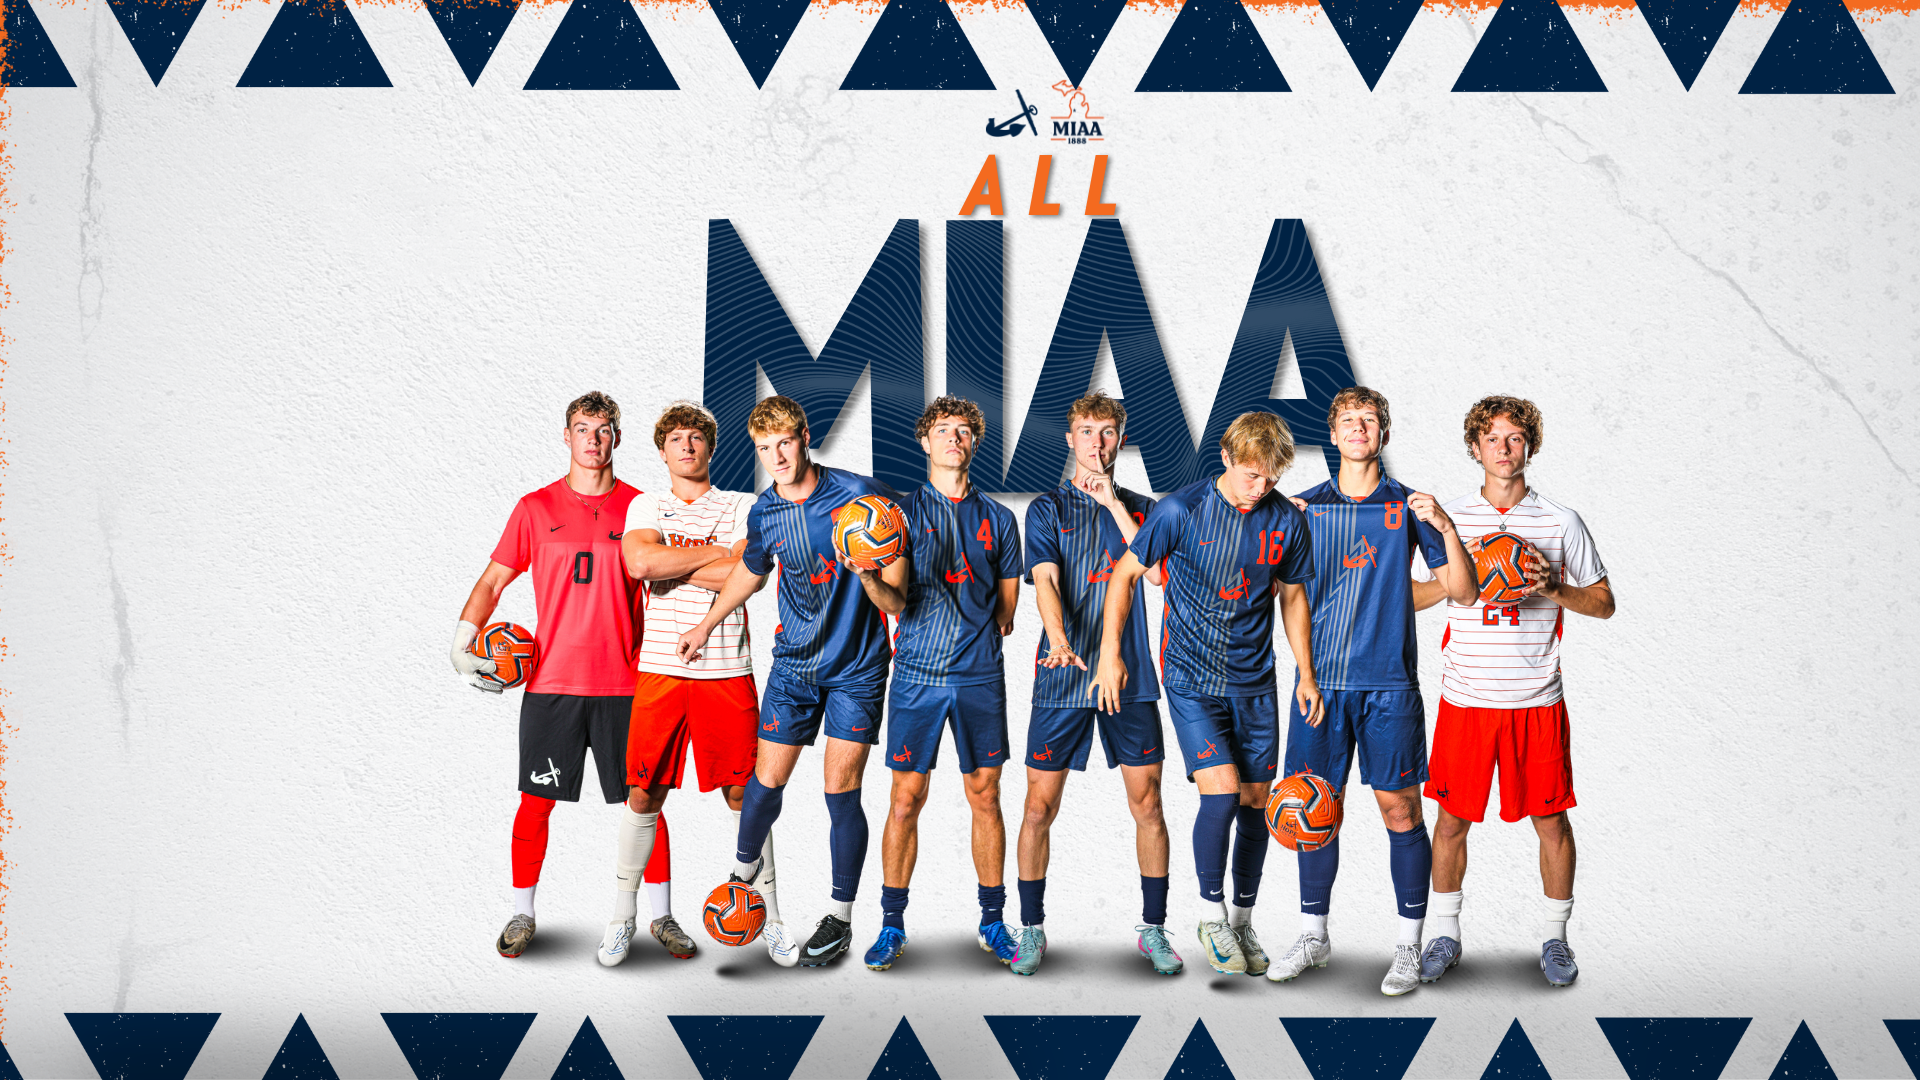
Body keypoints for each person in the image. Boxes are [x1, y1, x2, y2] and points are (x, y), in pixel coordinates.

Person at [676, 394, 906, 966]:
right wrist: (707, 625)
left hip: (857, 668)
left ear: (804, 437)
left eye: (784, 443)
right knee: (766, 782)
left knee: (839, 791)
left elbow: (899, 598)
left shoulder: (861, 496)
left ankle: (840, 915)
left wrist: (870, 577)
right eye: (764, 449)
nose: (776, 456)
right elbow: (750, 576)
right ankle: (741, 876)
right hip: (794, 668)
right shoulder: (765, 513)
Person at [1092, 411, 1319, 975]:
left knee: (1256, 806)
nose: (1259, 487)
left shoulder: (1288, 521)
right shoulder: (1179, 510)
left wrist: (1306, 672)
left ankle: (1242, 921)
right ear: (1226, 458)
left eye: (1270, 478)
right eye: (1250, 474)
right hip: (1192, 677)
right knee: (1219, 794)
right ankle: (1211, 914)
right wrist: (1110, 654)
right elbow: (1123, 576)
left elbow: (1292, 599)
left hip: (1255, 683)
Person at [1267, 387, 1477, 995]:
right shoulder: (1303, 508)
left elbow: (1461, 591)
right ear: (1331, 436)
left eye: (1369, 421)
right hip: (1321, 687)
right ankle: (1313, 934)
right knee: (1312, 812)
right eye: (1347, 422)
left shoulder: (1411, 507)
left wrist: (1443, 523)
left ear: (1382, 433)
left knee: (1401, 811)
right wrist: (1304, 672)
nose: (1359, 429)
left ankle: (1408, 948)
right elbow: (1291, 599)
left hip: (1388, 685)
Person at [449, 391, 669, 959]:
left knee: (645, 803)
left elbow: (670, 586)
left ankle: (663, 916)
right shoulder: (534, 509)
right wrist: (462, 640)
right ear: (565, 437)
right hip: (551, 685)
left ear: (616, 437)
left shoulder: (644, 509)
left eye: (602, 430)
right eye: (581, 429)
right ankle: (522, 914)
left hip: (627, 684)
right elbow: (494, 582)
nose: (592, 440)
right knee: (534, 803)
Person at [1411, 395, 1613, 988]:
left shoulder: (1560, 520)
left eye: (1515, 438)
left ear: (1530, 447)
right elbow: (1407, 595)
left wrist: (1553, 587)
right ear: (1474, 448)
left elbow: (1604, 603)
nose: (1504, 448)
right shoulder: (1445, 518)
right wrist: (1463, 576)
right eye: (1492, 439)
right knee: (1450, 822)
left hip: (1535, 699)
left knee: (1552, 822)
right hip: (1467, 698)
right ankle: (1445, 934)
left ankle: (1555, 939)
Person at [601, 401, 793, 966]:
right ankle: (621, 918)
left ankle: (773, 918)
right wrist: (716, 559)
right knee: (643, 794)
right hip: (660, 670)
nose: (687, 446)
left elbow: (749, 577)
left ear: (712, 448)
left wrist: (674, 558)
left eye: (697, 438)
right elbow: (638, 565)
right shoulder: (645, 503)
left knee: (746, 797)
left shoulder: (742, 504)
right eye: (676, 439)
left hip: (725, 670)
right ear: (662, 450)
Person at [1012, 391, 1180, 977]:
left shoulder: (1145, 508)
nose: (1097, 442)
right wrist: (1058, 637)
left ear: (1120, 437)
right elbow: (1046, 580)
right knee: (1039, 806)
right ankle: (1030, 930)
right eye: (1087, 431)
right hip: (1062, 676)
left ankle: (1154, 930)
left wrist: (1113, 505)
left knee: (1149, 804)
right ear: (1070, 439)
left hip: (1127, 677)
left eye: (1107, 432)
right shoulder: (1046, 508)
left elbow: (1157, 575)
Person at [861, 398, 1023, 971]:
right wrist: (868, 578)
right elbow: (895, 603)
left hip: (980, 675)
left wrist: (979, 624)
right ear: (924, 443)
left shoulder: (1001, 520)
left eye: (964, 431)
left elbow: (1007, 610)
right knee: (906, 800)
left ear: (974, 443)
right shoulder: (896, 516)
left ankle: (993, 921)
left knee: (986, 795)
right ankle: (890, 925)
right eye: (942, 430)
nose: (954, 438)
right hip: (918, 677)